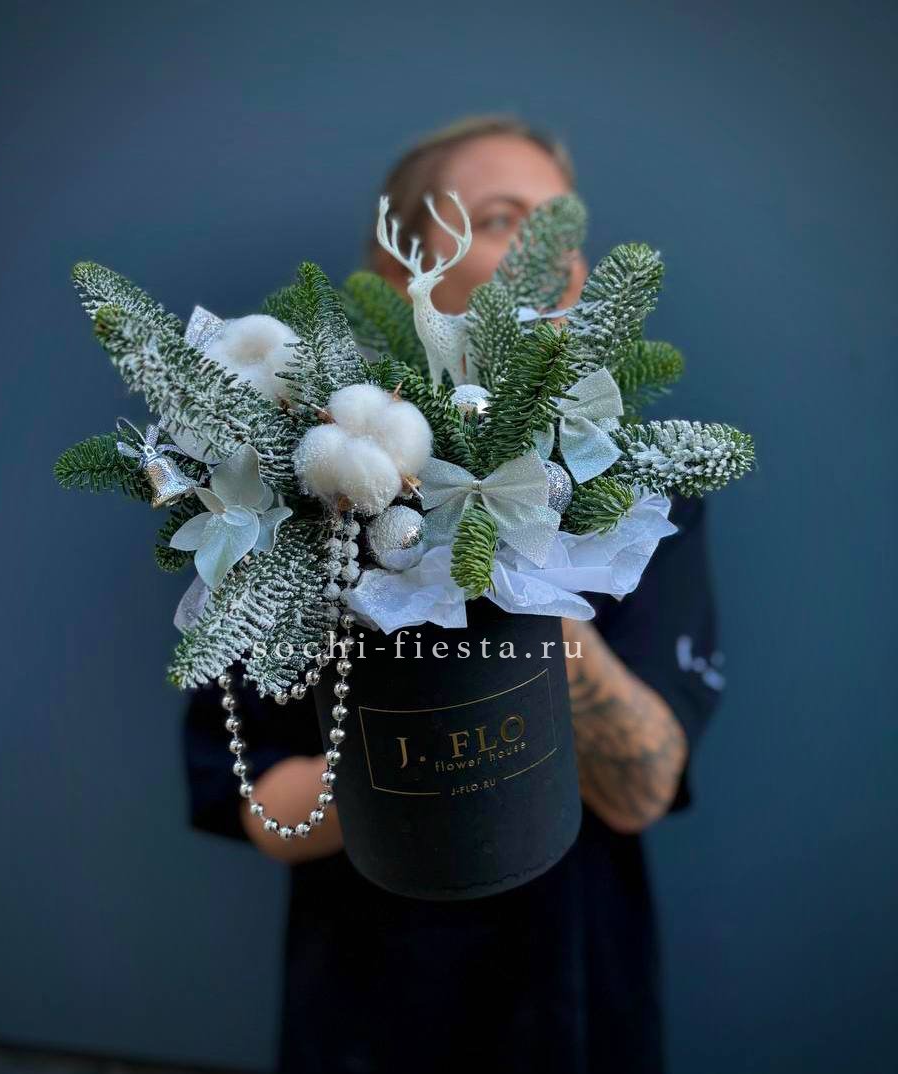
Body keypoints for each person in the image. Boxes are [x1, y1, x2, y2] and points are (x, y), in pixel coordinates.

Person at [184, 115, 723, 1074]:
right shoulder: (302, 486)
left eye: (567, 228)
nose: (554, 256)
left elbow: (641, 787)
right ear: (401, 267)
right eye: (506, 219)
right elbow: (263, 806)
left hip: (577, 1005)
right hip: (367, 1009)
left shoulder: (637, 487)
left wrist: (521, 570)